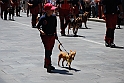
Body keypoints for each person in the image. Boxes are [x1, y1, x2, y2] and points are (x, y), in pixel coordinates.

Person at [36, 3, 57, 73]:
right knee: (47, 50)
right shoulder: (43, 18)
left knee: (50, 50)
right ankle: (48, 65)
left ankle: (46, 63)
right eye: (51, 10)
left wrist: (56, 35)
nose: (53, 11)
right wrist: (41, 31)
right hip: (45, 36)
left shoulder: (54, 17)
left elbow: (55, 27)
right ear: (47, 11)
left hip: (52, 36)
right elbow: (38, 26)